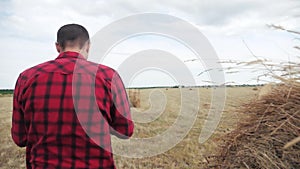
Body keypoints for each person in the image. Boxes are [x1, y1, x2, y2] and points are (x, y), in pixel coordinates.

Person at [11, 24, 134, 169]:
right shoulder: (108, 77)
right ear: (88, 46)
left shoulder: (27, 77)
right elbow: (125, 131)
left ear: (57, 47)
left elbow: (20, 138)